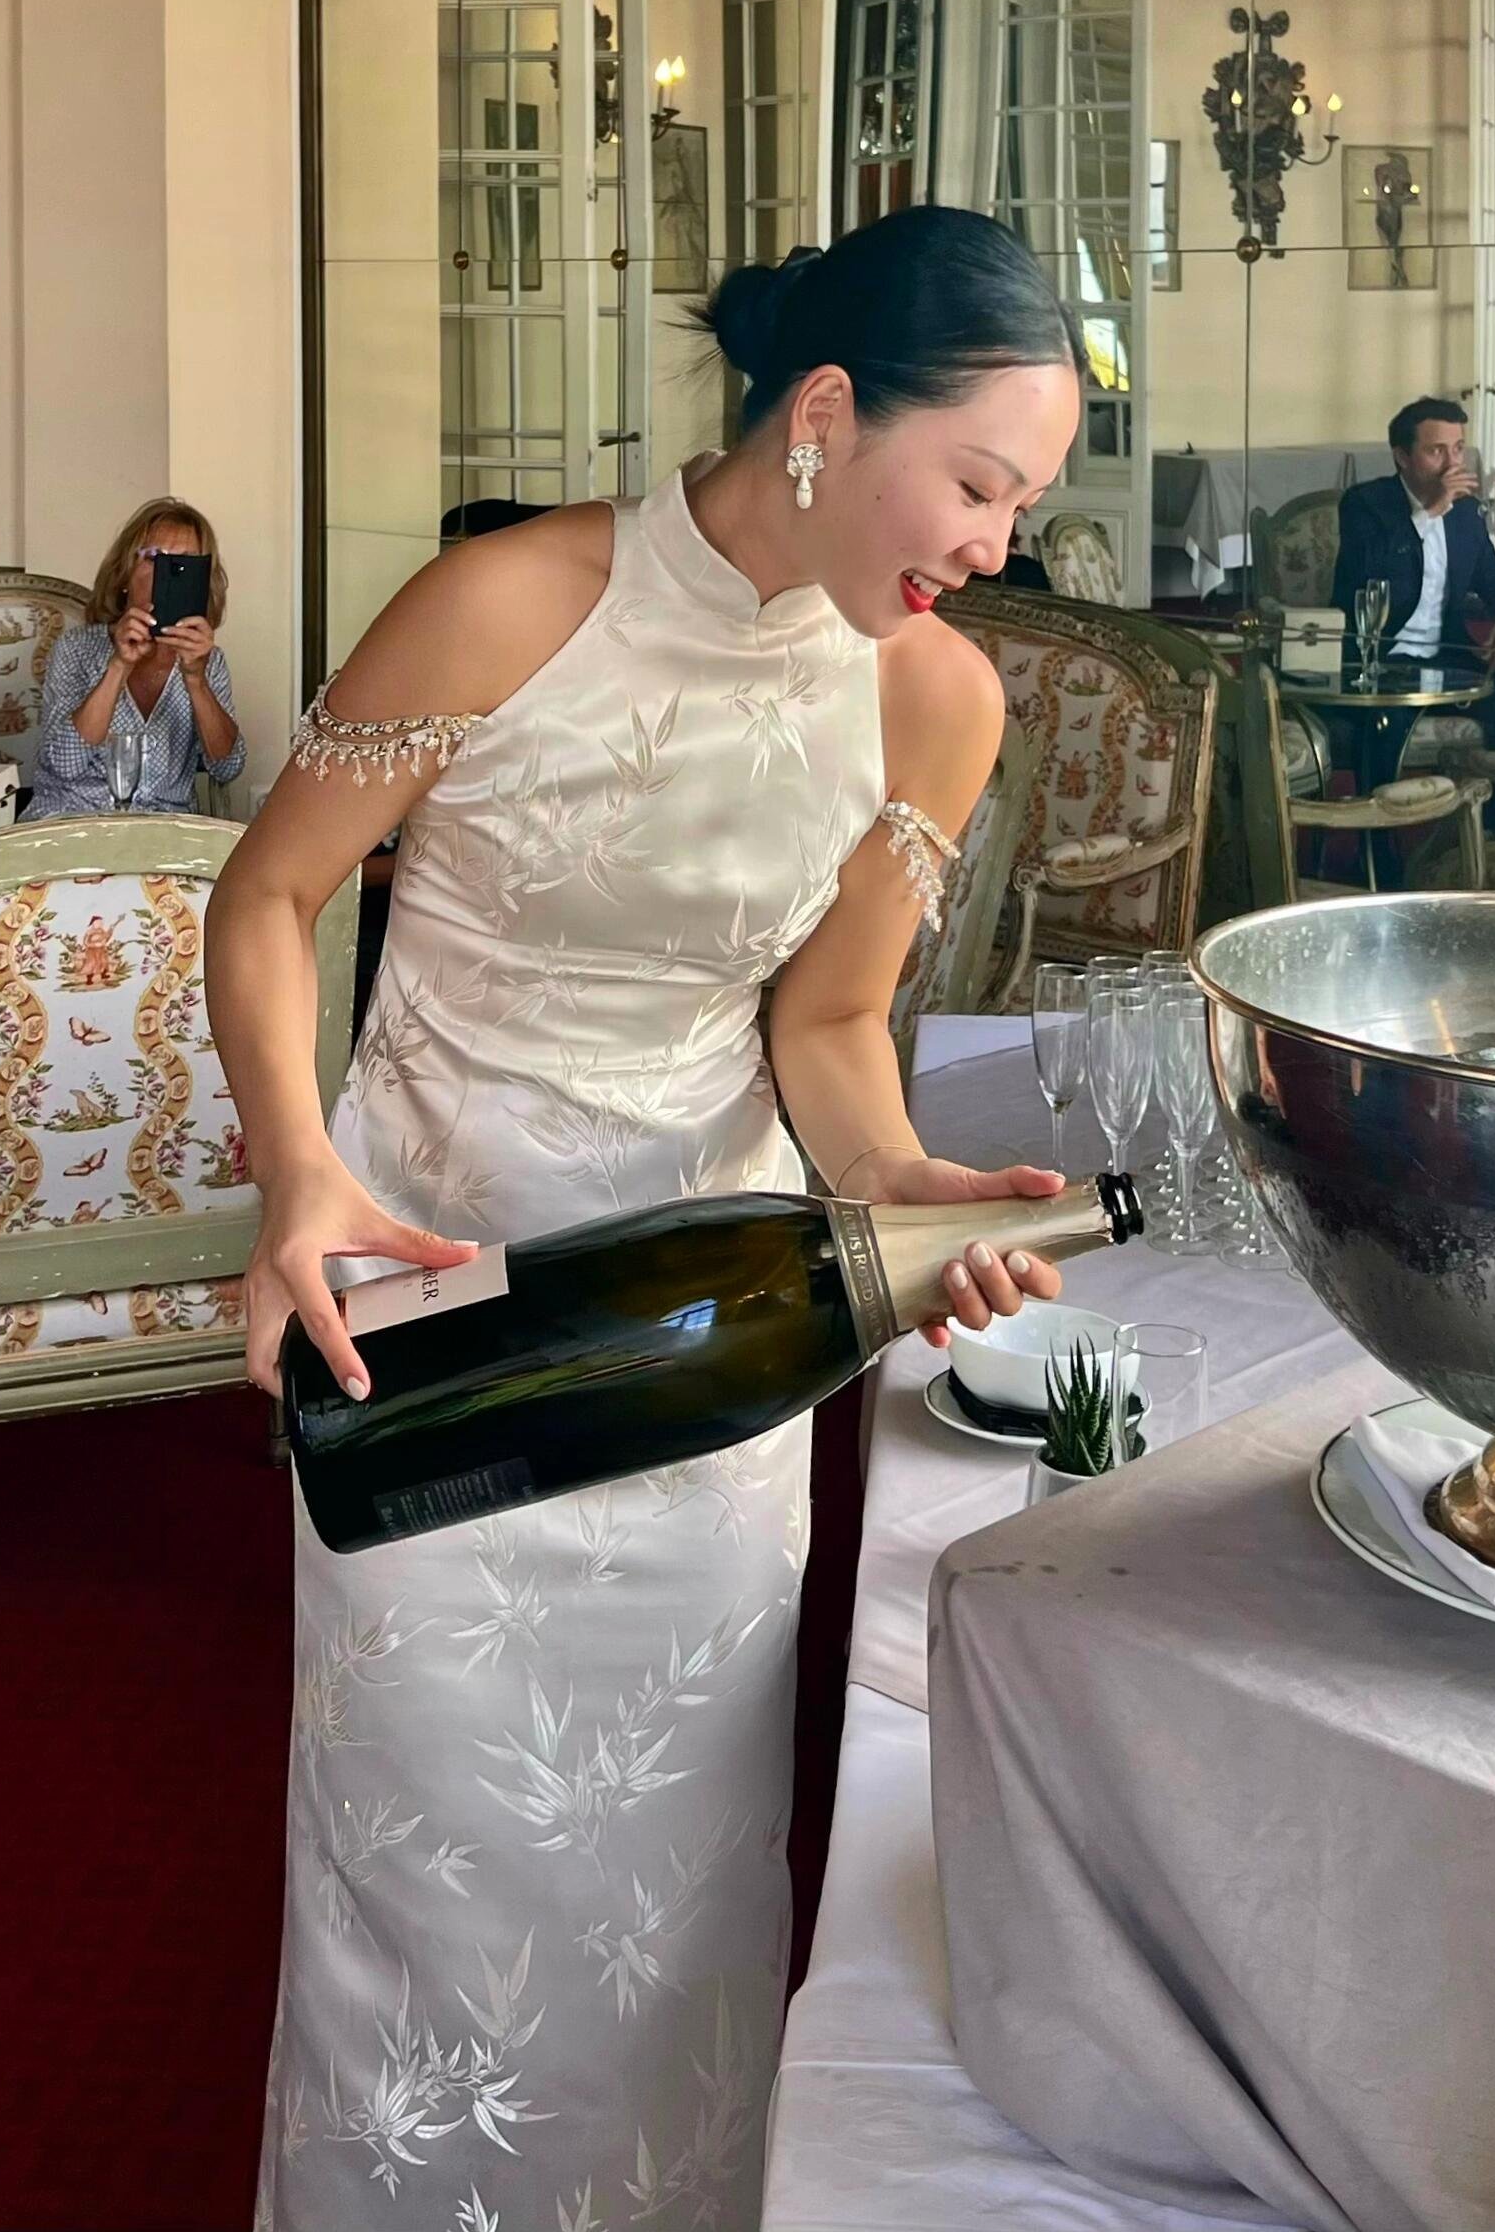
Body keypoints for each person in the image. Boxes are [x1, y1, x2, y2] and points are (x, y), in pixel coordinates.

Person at [206, 205, 1084, 2232]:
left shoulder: (937, 700)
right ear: (829, 410)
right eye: (977, 485)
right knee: (422, 1886)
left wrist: (894, 1182)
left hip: (708, 1363)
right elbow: (270, 894)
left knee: (673, 1890)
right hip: (440, 1313)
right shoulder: (505, 602)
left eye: (1022, 508)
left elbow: (826, 1022)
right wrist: (299, 1165)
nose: (993, 545)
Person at [1330, 397, 1495, 837]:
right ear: (1402, 456)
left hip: (1444, 658)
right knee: (1387, 719)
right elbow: (1368, 574)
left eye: (1458, 449)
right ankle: (1377, 851)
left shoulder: (1466, 511)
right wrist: (1426, 513)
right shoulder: (1365, 504)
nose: (1453, 463)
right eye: (1437, 451)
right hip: (1377, 660)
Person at [26, 495, 245, 819]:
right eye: (154, 557)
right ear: (125, 573)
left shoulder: (209, 661)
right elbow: (63, 766)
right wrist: (119, 665)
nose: (166, 576)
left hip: (163, 831)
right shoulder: (76, 647)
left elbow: (228, 768)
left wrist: (196, 680)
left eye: (183, 566)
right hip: (73, 824)